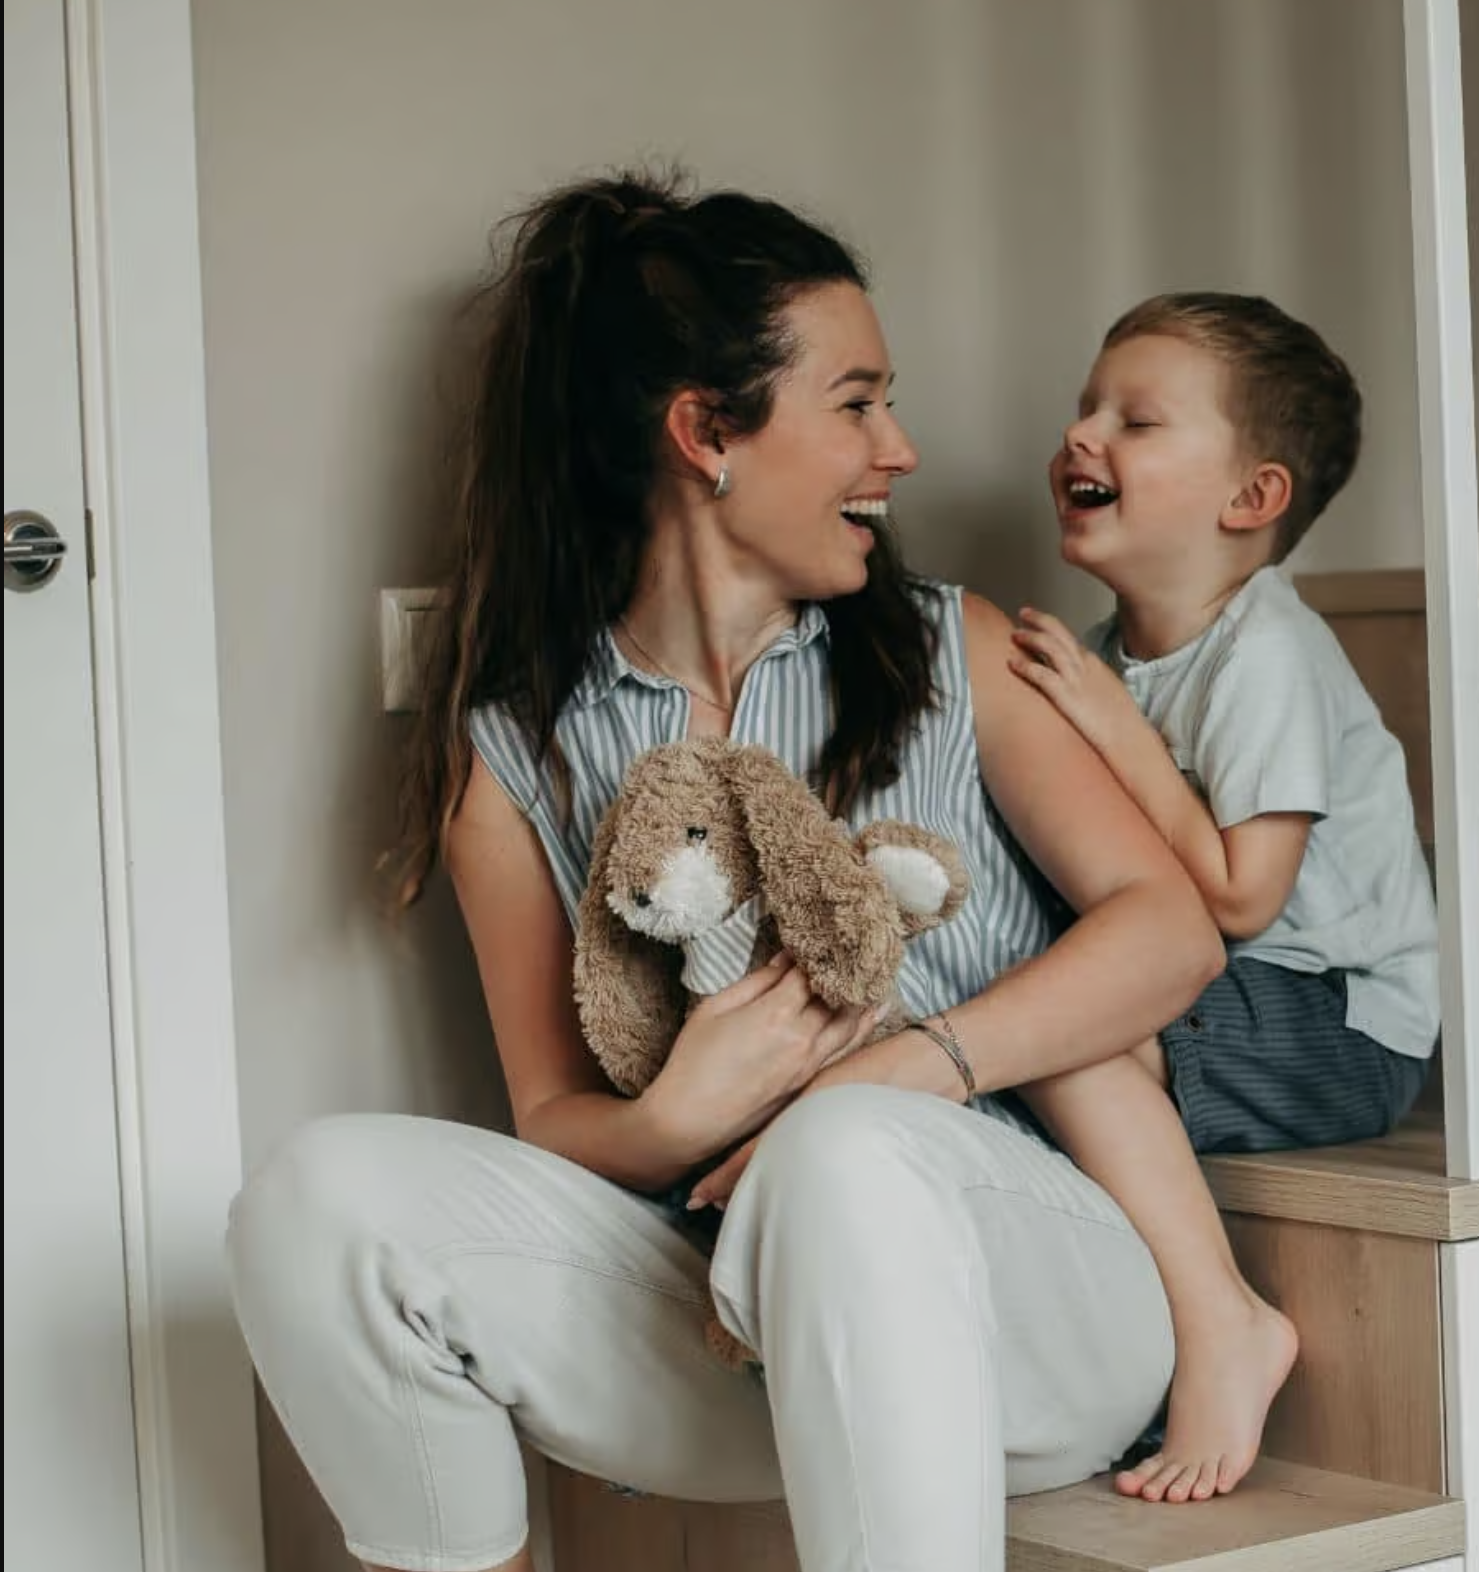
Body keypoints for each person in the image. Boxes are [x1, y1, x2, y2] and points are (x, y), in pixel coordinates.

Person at [222, 171, 1226, 1572]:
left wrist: (910, 1068)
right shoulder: (510, 749)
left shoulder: (955, 651)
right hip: (725, 1318)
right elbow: (552, 1117)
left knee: (842, 1148)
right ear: (707, 435)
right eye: (857, 403)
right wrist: (675, 1115)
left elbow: (1172, 931)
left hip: (1028, 1308)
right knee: (316, 1200)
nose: (900, 450)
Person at [1005, 293, 1440, 1506]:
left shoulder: (1266, 653)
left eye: (1134, 421)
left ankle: (1226, 1325)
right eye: (1086, 407)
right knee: (1022, 1015)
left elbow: (1247, 899)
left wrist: (1111, 729)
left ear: (1251, 498)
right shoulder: (1113, 653)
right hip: (1231, 994)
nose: (1082, 434)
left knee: (1069, 1029)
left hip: (1342, 1020)